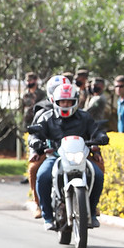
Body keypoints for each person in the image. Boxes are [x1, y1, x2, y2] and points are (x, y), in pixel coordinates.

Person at [29, 83, 108, 230]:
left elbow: (95, 131)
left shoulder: (85, 117)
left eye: (69, 101)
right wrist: (35, 141)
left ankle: (92, 211)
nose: (65, 104)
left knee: (98, 175)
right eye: (62, 101)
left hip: (81, 156)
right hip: (56, 156)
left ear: (75, 101)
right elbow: (35, 133)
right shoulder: (47, 117)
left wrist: (101, 137)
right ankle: (47, 216)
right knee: (43, 176)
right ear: (56, 102)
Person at [26, 74, 70, 218]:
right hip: (50, 149)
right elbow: (34, 133)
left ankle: (91, 205)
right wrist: (35, 150)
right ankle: (38, 204)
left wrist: (96, 150)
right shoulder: (43, 110)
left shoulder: (75, 108)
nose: (62, 96)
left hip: (73, 151)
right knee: (34, 169)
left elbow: (89, 130)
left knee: (96, 167)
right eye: (56, 89)